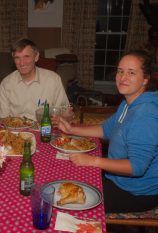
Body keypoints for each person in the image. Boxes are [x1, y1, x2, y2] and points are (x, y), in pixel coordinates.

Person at [57, 50, 158, 213]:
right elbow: (106, 129)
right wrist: (71, 128)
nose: (123, 77)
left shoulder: (145, 115)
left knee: (70, 201)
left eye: (131, 73)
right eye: (120, 71)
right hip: (116, 179)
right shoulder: (127, 103)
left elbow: (136, 167)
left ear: (145, 79)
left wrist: (92, 161)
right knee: (65, 178)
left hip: (135, 192)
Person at [0, 38, 73, 121]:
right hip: (16, 131)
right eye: (17, 58)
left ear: (36, 57)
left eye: (26, 56)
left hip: (45, 130)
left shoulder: (53, 79)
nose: (22, 63)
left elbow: (64, 113)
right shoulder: (6, 83)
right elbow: (3, 118)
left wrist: (66, 116)